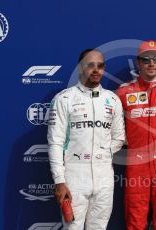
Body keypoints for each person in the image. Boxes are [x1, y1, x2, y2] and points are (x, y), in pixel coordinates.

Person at [47, 49, 125, 230]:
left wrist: (100, 154)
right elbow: (55, 142)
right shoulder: (64, 99)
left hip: (104, 175)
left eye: (100, 66)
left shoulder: (112, 99)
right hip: (74, 176)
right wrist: (59, 180)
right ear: (80, 67)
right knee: (72, 227)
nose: (96, 70)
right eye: (90, 65)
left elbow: (119, 137)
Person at [117, 40, 156, 230]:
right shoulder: (123, 91)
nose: (151, 63)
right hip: (136, 165)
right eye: (146, 59)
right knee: (135, 218)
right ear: (138, 63)